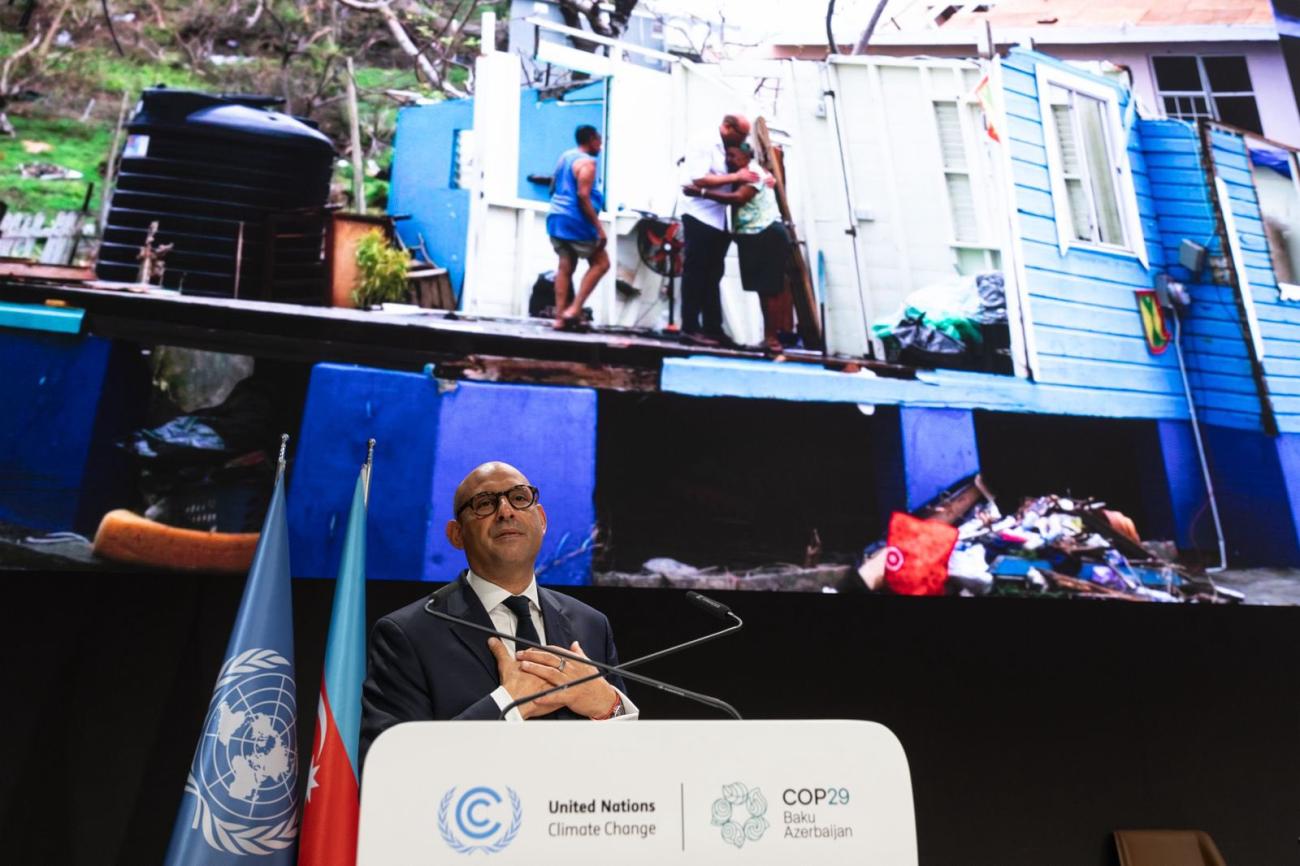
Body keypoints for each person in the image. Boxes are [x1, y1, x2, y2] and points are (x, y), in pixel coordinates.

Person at [359, 461, 636, 767]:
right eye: (484, 503)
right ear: (456, 534)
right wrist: (506, 704)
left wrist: (608, 705)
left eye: (519, 498)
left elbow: (628, 763)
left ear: (542, 520)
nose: (506, 511)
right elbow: (389, 766)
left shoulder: (591, 625)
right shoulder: (408, 634)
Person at [684, 142, 792, 355]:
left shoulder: (752, 173)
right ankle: (769, 338)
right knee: (763, 288)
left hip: (765, 233)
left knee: (770, 289)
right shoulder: (743, 174)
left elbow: (739, 198)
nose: (729, 160)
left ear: (745, 156)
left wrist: (702, 192)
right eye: (727, 156)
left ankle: (773, 339)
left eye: (733, 156)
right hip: (755, 235)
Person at [678, 114, 759, 345]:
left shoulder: (726, 146)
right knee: (695, 272)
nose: (743, 139)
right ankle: (690, 327)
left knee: (713, 274)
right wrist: (736, 176)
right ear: (727, 127)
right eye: (741, 135)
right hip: (699, 213)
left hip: (719, 217)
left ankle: (713, 328)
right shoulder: (703, 141)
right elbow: (698, 178)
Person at [546, 125, 610, 330]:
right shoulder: (588, 164)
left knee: (565, 266)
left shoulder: (565, 157)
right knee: (602, 263)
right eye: (599, 140)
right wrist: (599, 228)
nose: (601, 145)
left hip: (556, 218)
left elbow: (552, 186)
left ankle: (559, 318)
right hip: (577, 220)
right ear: (591, 139)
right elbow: (583, 196)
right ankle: (574, 309)